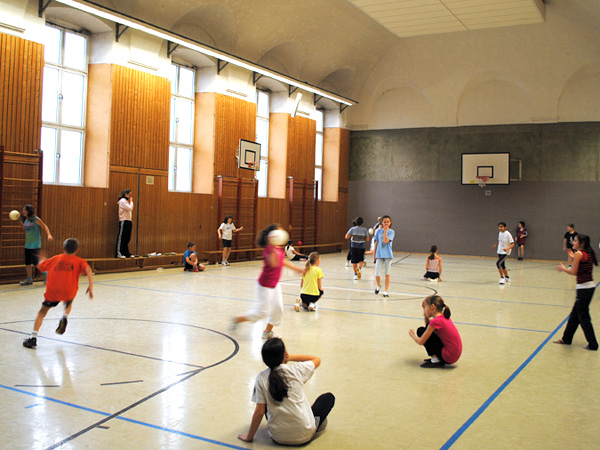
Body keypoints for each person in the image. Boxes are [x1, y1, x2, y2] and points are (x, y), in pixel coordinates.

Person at [238, 338, 335, 445]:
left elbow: (259, 412)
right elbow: (316, 359)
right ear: (284, 355)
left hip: (277, 437)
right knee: (328, 398)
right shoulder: (296, 370)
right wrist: (290, 357)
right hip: (305, 435)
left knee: (264, 401)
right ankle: (314, 422)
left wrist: (249, 436)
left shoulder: (261, 378)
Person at [231, 224, 303, 339]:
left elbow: (282, 261)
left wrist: (296, 269)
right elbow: (274, 263)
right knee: (262, 312)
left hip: (275, 284)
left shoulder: (277, 247)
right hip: (265, 285)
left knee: (278, 309)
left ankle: (267, 332)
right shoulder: (269, 249)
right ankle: (238, 320)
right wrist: (273, 247)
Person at [22, 238, 93, 349]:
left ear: (63, 248)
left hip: (53, 291)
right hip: (69, 291)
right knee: (69, 301)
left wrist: (42, 259)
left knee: (42, 312)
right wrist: (90, 286)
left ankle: (33, 338)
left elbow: (40, 266)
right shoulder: (79, 261)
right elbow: (88, 269)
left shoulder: (55, 259)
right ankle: (64, 316)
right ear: (77, 250)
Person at [554, 234, 599, 350]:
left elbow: (574, 272)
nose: (573, 242)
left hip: (584, 290)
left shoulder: (579, 254)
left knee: (583, 317)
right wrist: (574, 257)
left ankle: (593, 344)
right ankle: (566, 338)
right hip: (588, 288)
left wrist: (564, 269)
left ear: (581, 244)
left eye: (575, 241)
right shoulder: (586, 253)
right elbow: (582, 262)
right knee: (575, 315)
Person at [408, 295, 462, 368]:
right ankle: (437, 358)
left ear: (432, 307)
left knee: (420, 331)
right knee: (425, 330)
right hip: (454, 354)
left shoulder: (436, 321)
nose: (424, 309)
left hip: (448, 356)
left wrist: (412, 335)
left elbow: (421, 342)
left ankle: (435, 360)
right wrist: (425, 313)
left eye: (425, 307)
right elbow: (428, 327)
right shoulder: (443, 317)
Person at [19, 204, 53, 286]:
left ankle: (46, 274)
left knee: (36, 262)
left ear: (29, 211)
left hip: (35, 244)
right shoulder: (26, 220)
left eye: (24, 210)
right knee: (27, 262)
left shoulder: (36, 219)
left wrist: (49, 235)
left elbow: (44, 226)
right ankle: (29, 279)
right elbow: (26, 229)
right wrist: (19, 222)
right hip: (27, 244)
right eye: (23, 210)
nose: (23, 211)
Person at [373, 215, 394, 297]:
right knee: (377, 273)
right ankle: (378, 285)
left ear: (390, 223)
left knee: (387, 273)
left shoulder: (391, 232)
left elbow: (386, 241)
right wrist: (374, 255)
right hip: (379, 254)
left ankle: (385, 291)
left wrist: (385, 231)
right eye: (384, 222)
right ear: (382, 222)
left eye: (387, 222)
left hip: (388, 255)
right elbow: (376, 243)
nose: (386, 223)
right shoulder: (378, 231)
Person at [116, 189, 134, 259]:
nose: (130, 196)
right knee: (122, 237)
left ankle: (126, 253)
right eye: (130, 194)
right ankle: (119, 253)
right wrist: (131, 202)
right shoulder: (122, 201)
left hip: (129, 220)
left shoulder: (126, 201)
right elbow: (130, 208)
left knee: (127, 238)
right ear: (126, 194)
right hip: (124, 220)